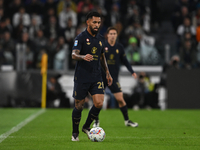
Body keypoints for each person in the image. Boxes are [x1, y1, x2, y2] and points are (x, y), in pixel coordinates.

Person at [71, 11, 113, 141]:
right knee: (79, 106)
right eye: (94, 22)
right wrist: (83, 56)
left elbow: (102, 57)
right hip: (82, 76)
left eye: (99, 22)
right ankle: (75, 133)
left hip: (96, 76)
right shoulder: (81, 38)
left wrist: (107, 72)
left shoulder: (100, 39)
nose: (97, 25)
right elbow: (73, 55)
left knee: (99, 103)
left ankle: (86, 126)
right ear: (88, 22)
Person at [93, 27, 138, 128]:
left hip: (113, 78)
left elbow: (125, 61)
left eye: (114, 34)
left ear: (116, 35)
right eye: (111, 34)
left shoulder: (119, 47)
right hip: (101, 77)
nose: (113, 35)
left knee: (120, 99)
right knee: (98, 101)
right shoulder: (102, 46)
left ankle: (127, 121)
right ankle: (96, 121)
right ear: (107, 35)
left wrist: (132, 71)